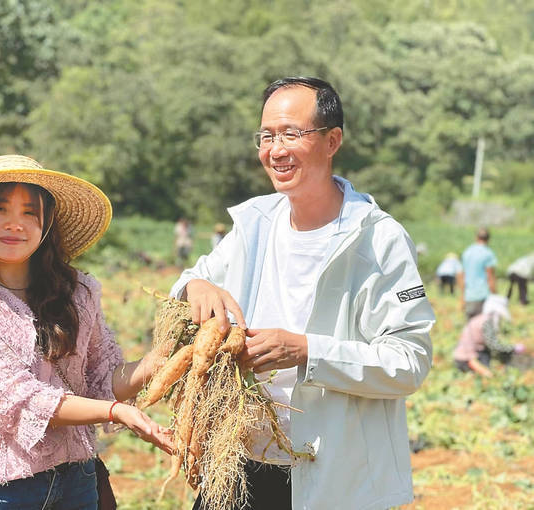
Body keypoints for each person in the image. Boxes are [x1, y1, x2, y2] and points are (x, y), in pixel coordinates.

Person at [170, 77, 434, 510]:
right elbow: (191, 281)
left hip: (329, 473)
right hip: (239, 462)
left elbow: (410, 362)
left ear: (332, 141)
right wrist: (196, 285)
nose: (275, 150)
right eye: (267, 136)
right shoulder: (255, 224)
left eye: (292, 134)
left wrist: (307, 351)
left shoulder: (377, 239)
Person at [0, 155, 172, 510]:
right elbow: (21, 401)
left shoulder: (78, 292)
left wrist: (165, 360)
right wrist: (115, 412)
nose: (15, 224)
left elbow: (102, 377)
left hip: (77, 483)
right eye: (0, 209)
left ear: (46, 224)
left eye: (30, 213)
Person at [453, 295, 526, 377]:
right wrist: (512, 348)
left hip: (465, 355)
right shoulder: (487, 322)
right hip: (466, 359)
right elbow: (494, 345)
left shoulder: (482, 319)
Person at [457, 227, 497, 319]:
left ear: (476, 237)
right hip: (482, 296)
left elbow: (460, 275)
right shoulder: (488, 253)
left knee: (470, 328)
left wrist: (462, 297)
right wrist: (494, 296)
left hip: (469, 296)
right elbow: (490, 277)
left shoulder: (467, 252)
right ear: (488, 239)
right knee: (482, 327)